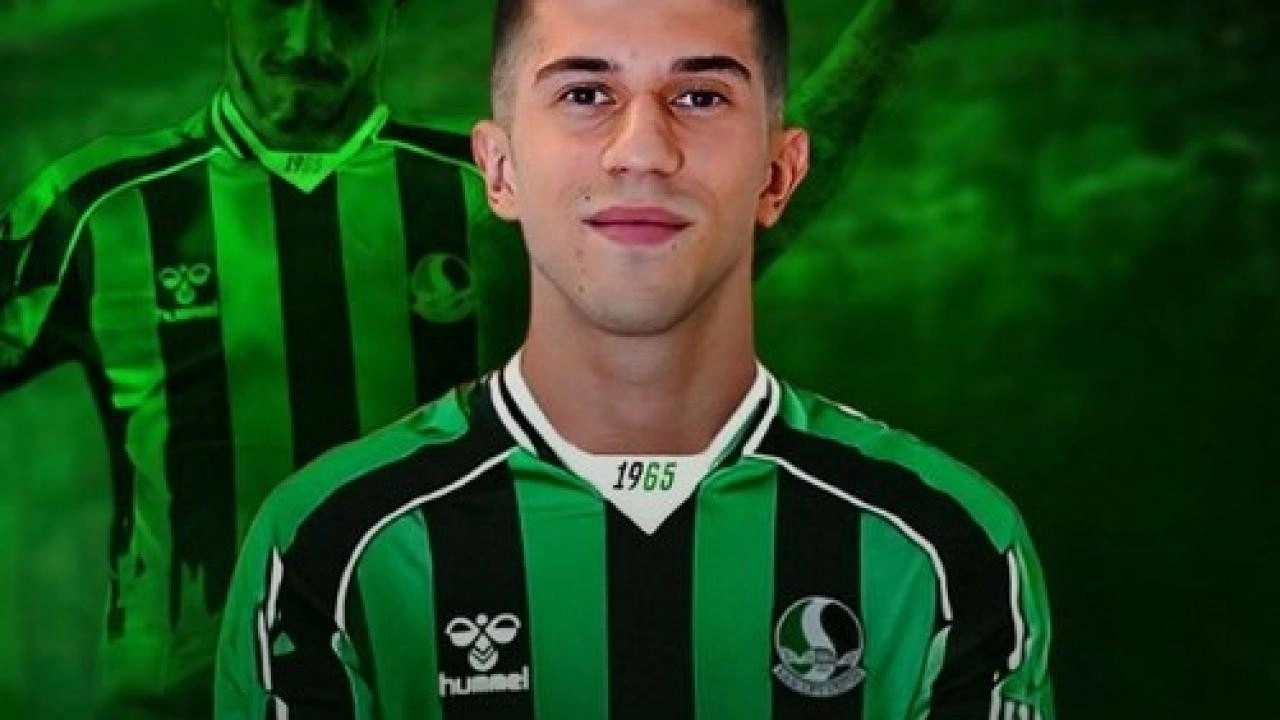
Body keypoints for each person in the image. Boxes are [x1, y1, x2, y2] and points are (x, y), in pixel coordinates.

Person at [214, 0, 1054, 718]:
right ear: (498, 170)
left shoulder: (945, 548)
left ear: (779, 174)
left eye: (699, 96)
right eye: (585, 94)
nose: (642, 151)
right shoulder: (328, 549)